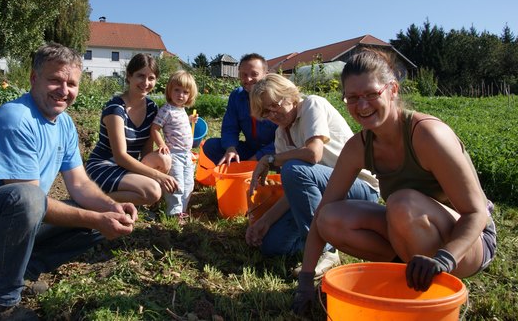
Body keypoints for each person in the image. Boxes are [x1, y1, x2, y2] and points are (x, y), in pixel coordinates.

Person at [293, 49, 497, 315]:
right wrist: (306, 280)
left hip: (470, 241)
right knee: (329, 217)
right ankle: (408, 271)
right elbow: (322, 213)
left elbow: (476, 213)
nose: (362, 106)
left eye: (371, 94)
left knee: (401, 203)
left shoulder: (427, 135)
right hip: (411, 229)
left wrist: (444, 259)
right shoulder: (359, 146)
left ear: (392, 89)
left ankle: (426, 288)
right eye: (352, 98)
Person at [0, 43, 138, 320]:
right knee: (28, 197)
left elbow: (81, 185)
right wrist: (95, 219)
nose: (64, 90)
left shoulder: (65, 124)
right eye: (55, 80)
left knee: (102, 214)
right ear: (34, 79)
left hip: (18, 216)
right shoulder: (16, 119)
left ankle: (19, 270)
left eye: (71, 83)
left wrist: (111, 208)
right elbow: (28, 198)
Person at [245, 73, 380, 278]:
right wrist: (265, 220)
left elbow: (312, 154)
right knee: (271, 246)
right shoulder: (281, 134)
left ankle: (325, 250)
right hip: (326, 195)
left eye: (275, 104)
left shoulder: (311, 105)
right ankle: (328, 236)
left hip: (359, 188)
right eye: (265, 112)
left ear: (289, 95)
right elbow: (296, 189)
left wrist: (269, 160)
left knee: (294, 168)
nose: (273, 113)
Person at [85, 53, 176, 205]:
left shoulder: (152, 108)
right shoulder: (116, 109)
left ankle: (126, 198)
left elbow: (146, 152)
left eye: (151, 78)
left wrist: (151, 175)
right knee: (153, 191)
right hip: (105, 165)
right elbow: (120, 156)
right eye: (140, 76)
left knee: (164, 159)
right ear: (129, 76)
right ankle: (91, 201)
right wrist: (158, 177)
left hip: (127, 167)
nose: (146, 83)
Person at [202, 53, 278, 166]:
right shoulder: (237, 96)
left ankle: (255, 167)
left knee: (289, 159)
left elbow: (284, 137)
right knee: (211, 145)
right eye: (244, 74)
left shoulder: (275, 97)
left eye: (254, 74)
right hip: (250, 148)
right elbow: (230, 127)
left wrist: (257, 158)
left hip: (275, 151)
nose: (248, 79)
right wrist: (230, 148)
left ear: (265, 75)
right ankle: (237, 170)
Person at [150, 70, 199, 221]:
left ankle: (182, 210)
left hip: (186, 154)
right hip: (174, 154)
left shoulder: (181, 110)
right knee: (177, 184)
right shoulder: (166, 110)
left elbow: (178, 123)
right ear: (169, 90)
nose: (180, 95)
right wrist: (161, 143)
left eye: (185, 92)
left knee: (189, 184)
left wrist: (190, 119)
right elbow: (155, 128)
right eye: (177, 90)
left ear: (190, 95)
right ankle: (174, 213)